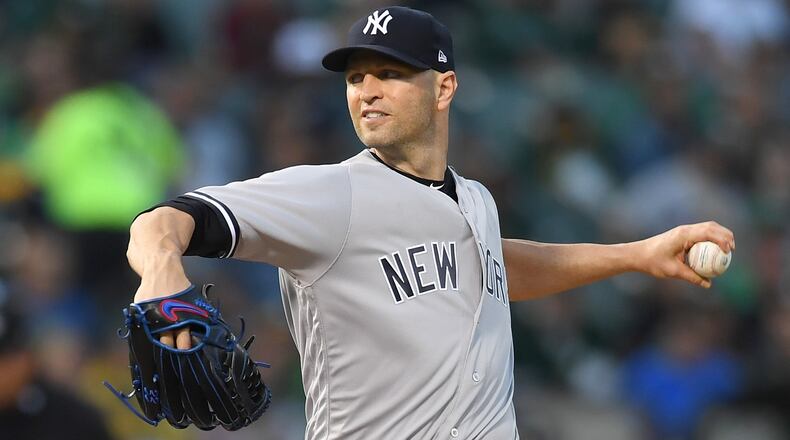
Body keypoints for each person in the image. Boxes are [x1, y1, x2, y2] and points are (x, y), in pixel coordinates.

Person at [126, 6, 735, 439]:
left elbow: (495, 267)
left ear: (443, 88)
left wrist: (636, 255)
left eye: (389, 74)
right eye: (356, 77)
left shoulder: (475, 201)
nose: (366, 90)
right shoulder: (330, 195)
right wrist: (160, 273)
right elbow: (163, 222)